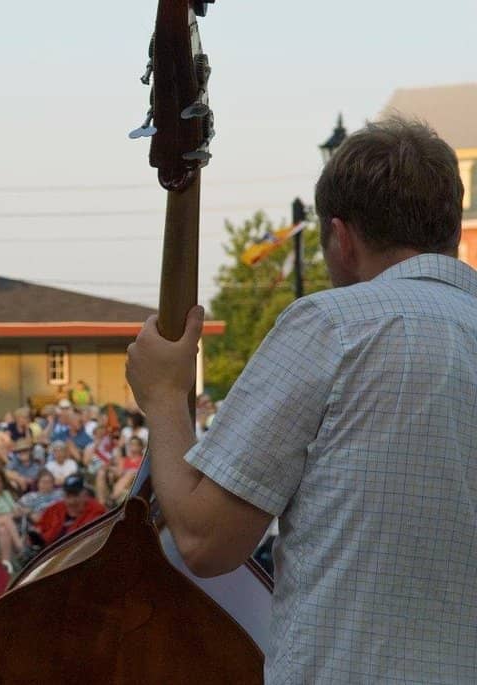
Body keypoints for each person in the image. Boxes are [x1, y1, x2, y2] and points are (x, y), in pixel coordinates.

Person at [125, 118, 477, 683]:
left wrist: (164, 396)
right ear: (453, 230)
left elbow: (205, 540)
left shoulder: (333, 327)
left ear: (342, 237)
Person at [35, 473, 106, 546]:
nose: (71, 501)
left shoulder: (97, 510)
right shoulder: (54, 509)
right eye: (68, 496)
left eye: (75, 496)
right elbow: (39, 528)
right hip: (49, 550)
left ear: (85, 494)